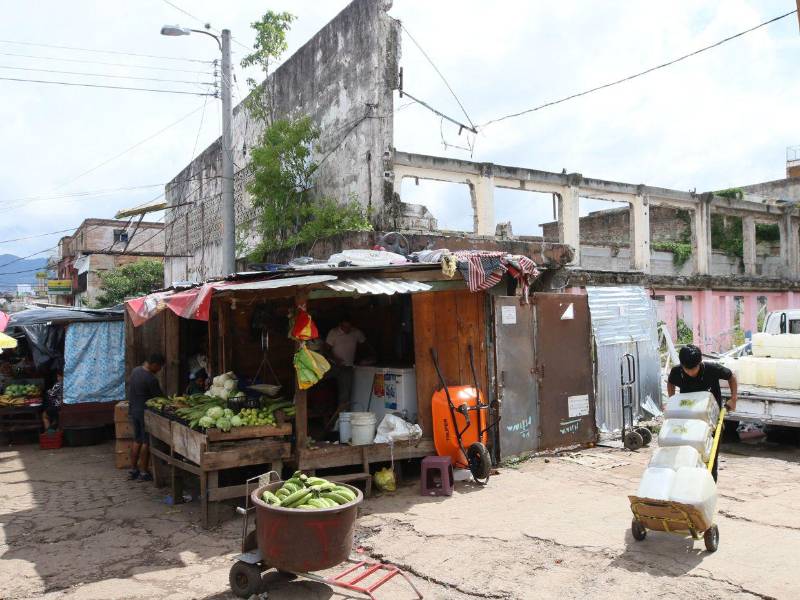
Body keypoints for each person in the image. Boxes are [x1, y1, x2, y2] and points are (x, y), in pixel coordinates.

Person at [666, 344, 738, 482]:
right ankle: (687, 483)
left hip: (711, 422)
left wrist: (733, 399)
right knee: (687, 455)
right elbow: (670, 383)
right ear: (682, 366)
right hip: (687, 422)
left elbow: (731, 376)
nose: (691, 373)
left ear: (699, 363)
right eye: (687, 370)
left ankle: (708, 486)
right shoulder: (677, 372)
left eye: (694, 369)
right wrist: (672, 401)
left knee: (710, 457)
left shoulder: (712, 369)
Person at [127, 353, 165, 482]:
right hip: (144, 413)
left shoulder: (135, 371)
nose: (159, 370)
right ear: (154, 364)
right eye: (159, 367)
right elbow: (160, 398)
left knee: (137, 440)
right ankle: (144, 471)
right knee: (146, 442)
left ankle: (133, 470)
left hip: (133, 411)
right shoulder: (150, 379)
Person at [325, 317, 373, 411]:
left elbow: (365, 345)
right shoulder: (333, 333)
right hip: (333, 366)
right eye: (344, 327)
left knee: (345, 394)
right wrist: (335, 359)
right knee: (319, 383)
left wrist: (369, 356)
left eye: (349, 327)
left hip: (348, 367)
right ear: (340, 325)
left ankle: (343, 419)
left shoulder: (356, 333)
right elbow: (326, 349)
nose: (347, 329)